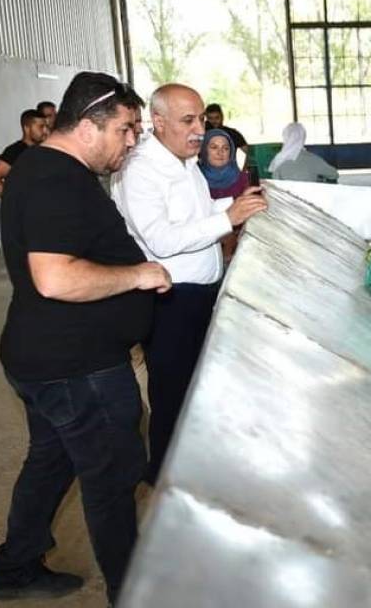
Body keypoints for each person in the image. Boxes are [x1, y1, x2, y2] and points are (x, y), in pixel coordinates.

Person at [0, 72, 169, 604]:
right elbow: (55, 276)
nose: (133, 141)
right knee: (112, 477)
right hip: (75, 366)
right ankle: (132, 593)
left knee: (51, 460)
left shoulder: (48, 168)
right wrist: (139, 275)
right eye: (127, 129)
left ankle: (14, 567)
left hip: (47, 356)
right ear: (89, 125)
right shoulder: (54, 179)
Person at [114, 84, 268, 486]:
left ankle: (193, 467)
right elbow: (162, 238)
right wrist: (227, 218)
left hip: (200, 293)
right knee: (172, 392)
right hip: (171, 301)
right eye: (188, 121)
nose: (199, 129)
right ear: (158, 121)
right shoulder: (141, 171)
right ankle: (164, 478)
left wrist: (238, 205)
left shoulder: (184, 162)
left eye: (201, 118)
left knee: (199, 386)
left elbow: (196, 214)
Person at [0, 109, 49, 196]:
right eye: (41, 127)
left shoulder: (42, 149)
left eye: (46, 127)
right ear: (27, 128)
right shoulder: (15, 151)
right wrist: (14, 202)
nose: (45, 131)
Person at [267, 122, 338, 183]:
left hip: (286, 198)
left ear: (285, 137)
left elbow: (275, 181)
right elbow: (334, 174)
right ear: (303, 138)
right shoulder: (312, 159)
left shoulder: (279, 159)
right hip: (308, 197)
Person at [198, 129, 249, 199]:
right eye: (214, 147)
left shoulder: (245, 181)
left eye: (225, 148)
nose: (220, 152)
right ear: (204, 150)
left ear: (231, 152)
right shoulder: (194, 179)